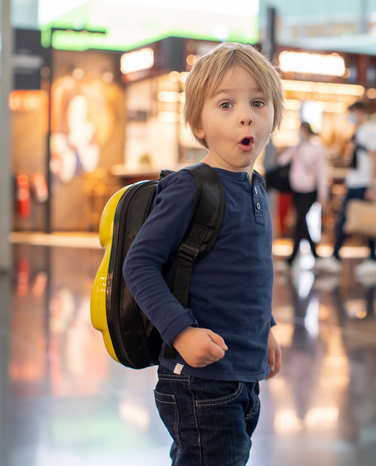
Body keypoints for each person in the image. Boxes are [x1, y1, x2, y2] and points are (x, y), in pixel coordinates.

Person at [122, 42, 283, 465]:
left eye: (258, 102)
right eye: (226, 104)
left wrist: (264, 327)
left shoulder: (258, 188)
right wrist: (180, 332)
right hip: (197, 380)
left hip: (243, 377)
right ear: (198, 123)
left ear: (274, 117)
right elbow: (139, 264)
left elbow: (249, 272)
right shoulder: (191, 186)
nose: (245, 115)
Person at [316, 100, 376, 275]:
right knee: (345, 220)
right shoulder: (358, 131)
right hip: (354, 182)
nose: (350, 117)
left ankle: (372, 259)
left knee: (367, 222)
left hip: (364, 184)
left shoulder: (370, 132)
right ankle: (336, 257)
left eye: (352, 113)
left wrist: (373, 185)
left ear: (360, 112)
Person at [276, 121, 328, 269]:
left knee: (300, 220)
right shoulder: (296, 148)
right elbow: (281, 161)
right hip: (296, 190)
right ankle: (313, 256)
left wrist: (323, 196)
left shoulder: (318, 149)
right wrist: (293, 150)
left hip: (310, 190)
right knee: (300, 222)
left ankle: (294, 258)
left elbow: (322, 174)